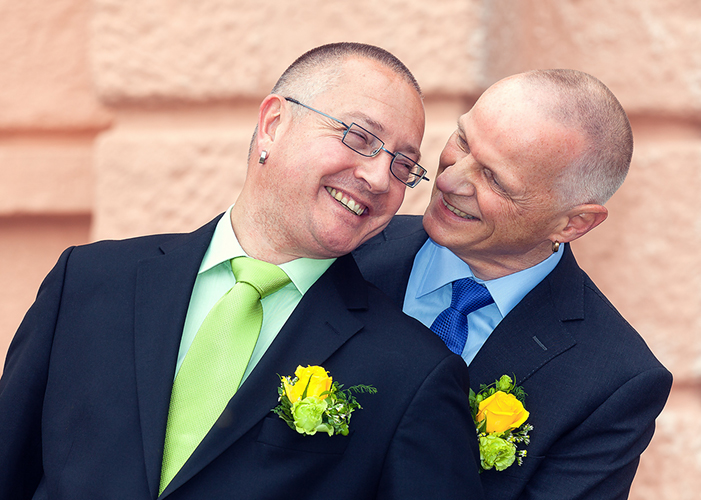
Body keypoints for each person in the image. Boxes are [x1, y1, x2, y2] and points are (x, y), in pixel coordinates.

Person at [0, 43, 485, 500]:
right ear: (273, 124)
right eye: (360, 137)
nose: (380, 178)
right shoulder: (87, 280)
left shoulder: (413, 369)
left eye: (403, 166)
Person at [353, 69, 672, 500]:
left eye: (494, 179)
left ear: (574, 223)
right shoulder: (347, 253)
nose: (448, 180)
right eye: (463, 140)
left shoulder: (613, 383)